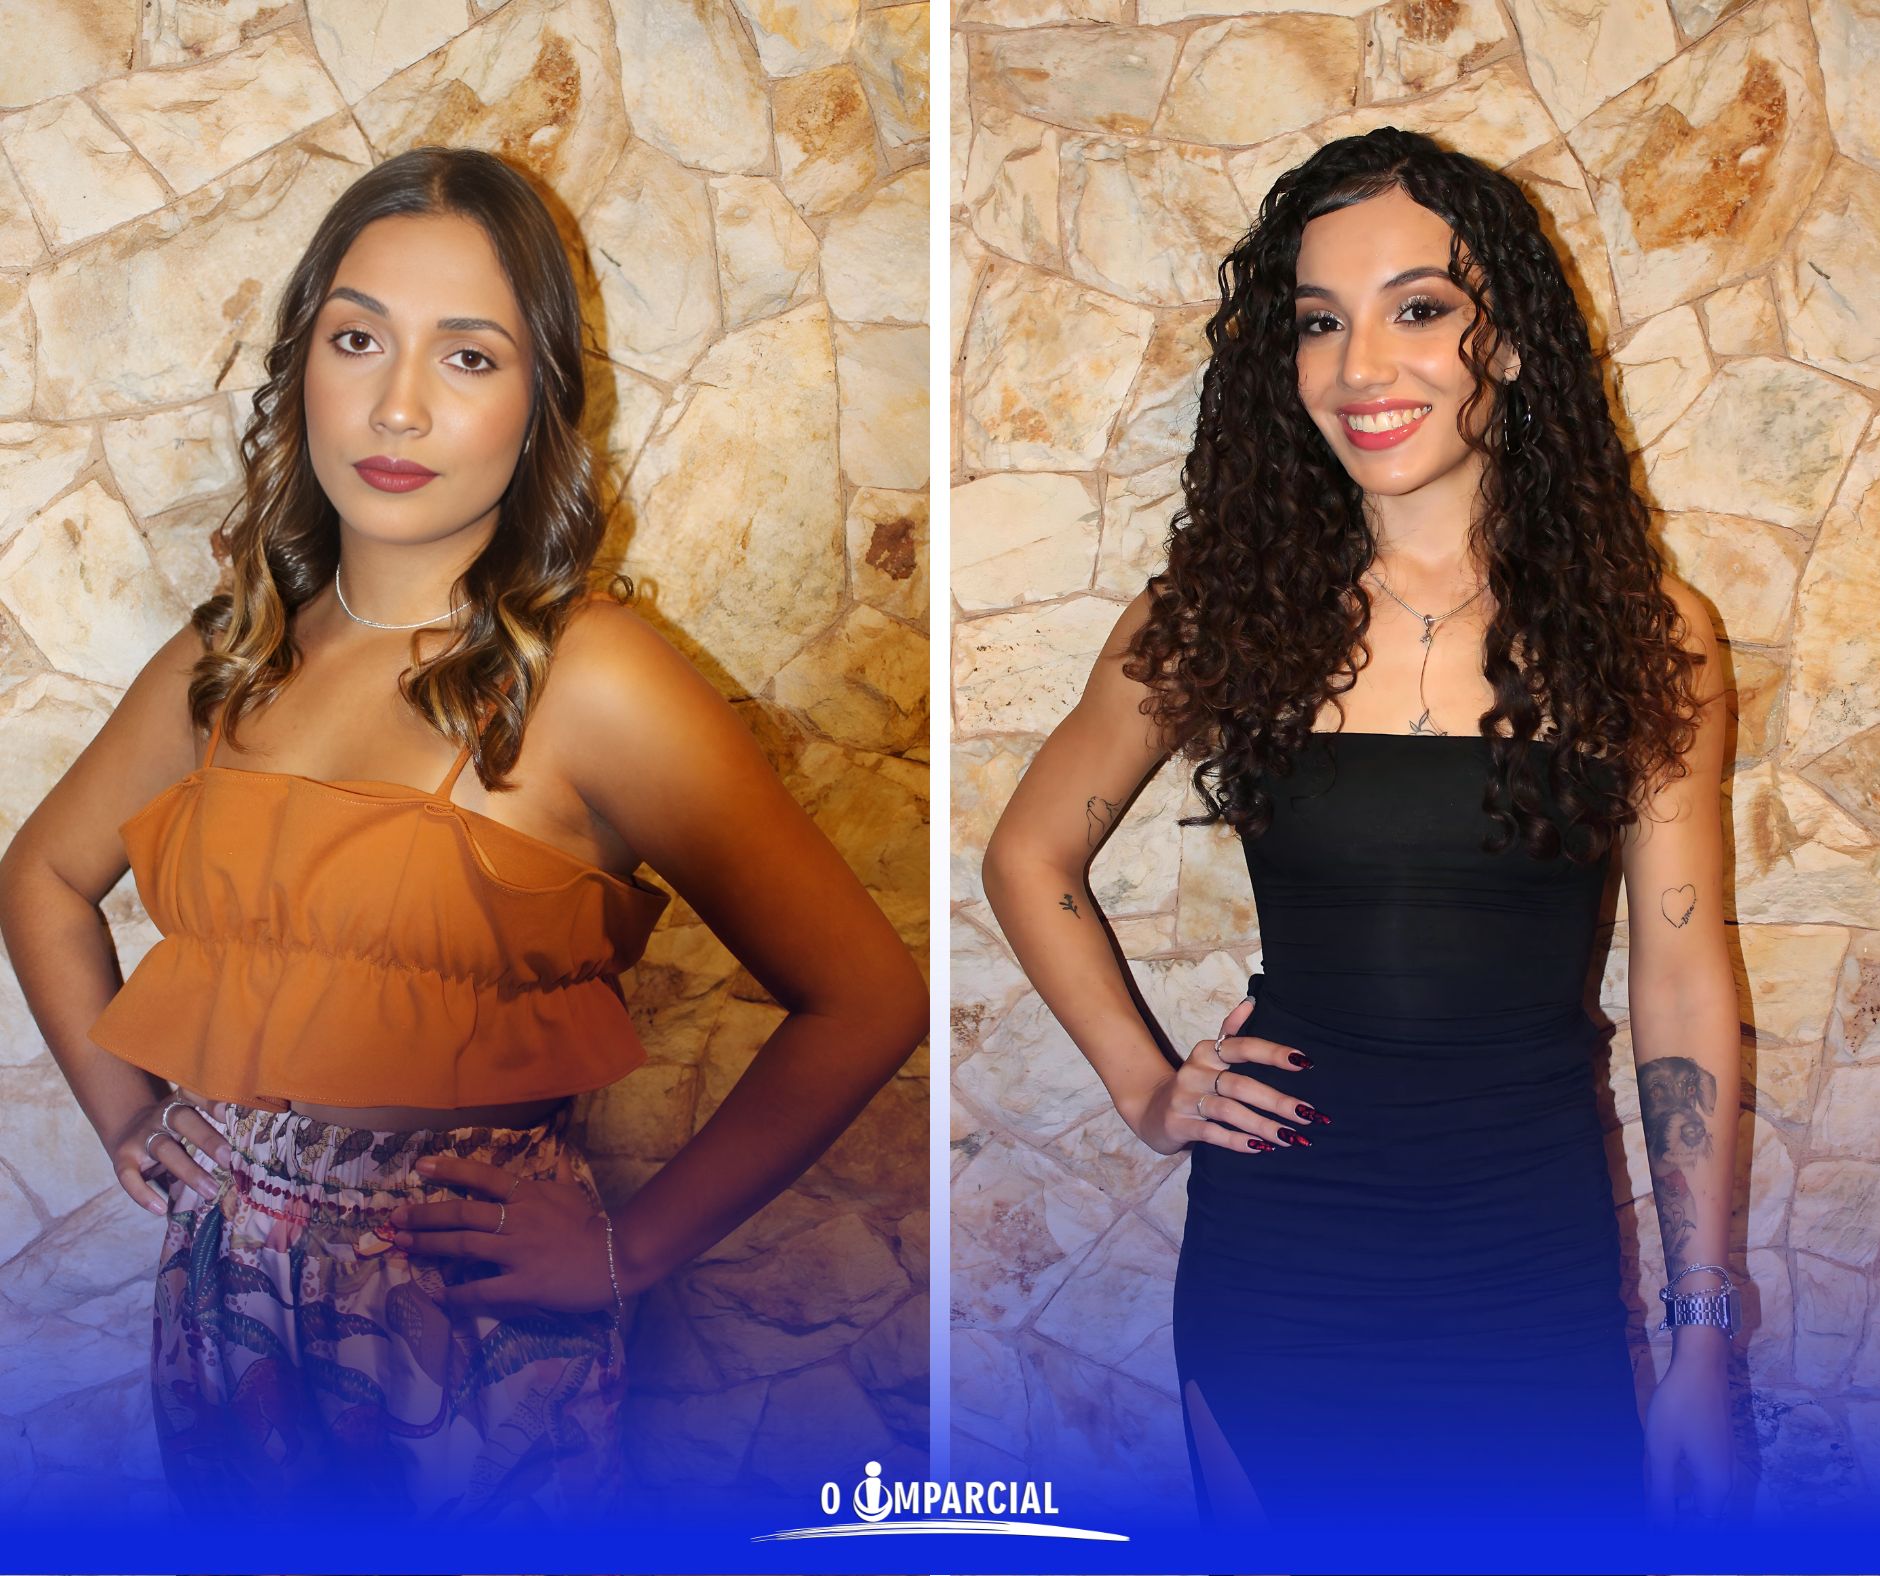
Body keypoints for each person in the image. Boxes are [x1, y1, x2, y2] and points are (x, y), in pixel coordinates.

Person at [0, 146, 927, 1522]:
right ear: (301, 368)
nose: (399, 403)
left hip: (462, 1311)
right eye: (357, 339)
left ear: (539, 400)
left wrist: (629, 1251)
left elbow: (866, 995)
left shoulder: (595, 678)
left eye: (470, 356)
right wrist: (127, 1114)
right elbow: (41, 874)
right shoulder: (230, 656)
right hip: (220, 1294)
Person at [980, 127, 1738, 1535]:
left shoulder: (1645, 631)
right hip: (1287, 1249)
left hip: (1532, 1242)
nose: (1360, 367)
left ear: (1512, 341)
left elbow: (1683, 986)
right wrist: (1148, 1088)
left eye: (1420, 309)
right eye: (1319, 322)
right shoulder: (1218, 614)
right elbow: (1028, 858)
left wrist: (1702, 1328)